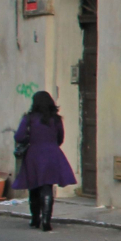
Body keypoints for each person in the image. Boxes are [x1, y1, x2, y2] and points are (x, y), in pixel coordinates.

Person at [13, 91, 77, 232]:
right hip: (52, 153)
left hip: (34, 154)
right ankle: (46, 220)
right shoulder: (56, 119)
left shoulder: (29, 118)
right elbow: (60, 138)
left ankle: (35, 219)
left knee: (34, 187)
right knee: (47, 186)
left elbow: (19, 136)